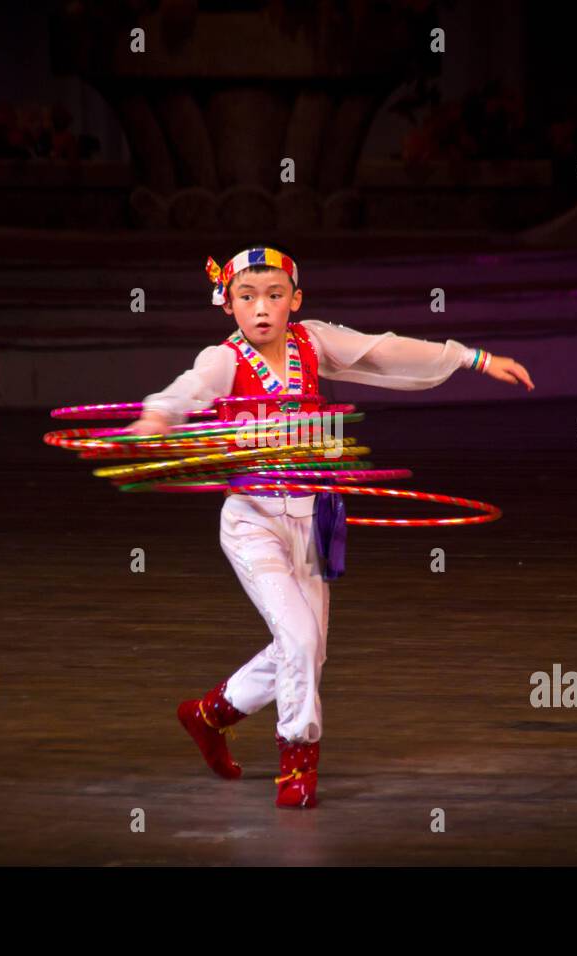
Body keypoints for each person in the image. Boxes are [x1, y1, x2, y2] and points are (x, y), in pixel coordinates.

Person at [126, 246, 534, 808]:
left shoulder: (311, 342)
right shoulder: (224, 360)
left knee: (308, 649)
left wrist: (473, 359)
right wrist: (156, 418)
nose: (261, 309)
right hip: (254, 520)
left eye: (274, 296)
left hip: (316, 515)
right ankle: (297, 763)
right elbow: (187, 389)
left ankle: (209, 715)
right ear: (229, 305)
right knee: (297, 638)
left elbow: (384, 350)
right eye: (247, 298)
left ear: (295, 300)